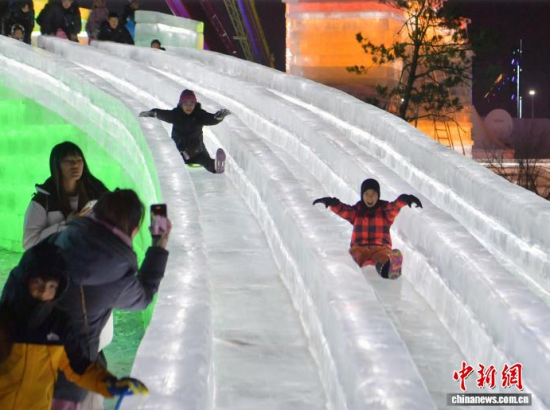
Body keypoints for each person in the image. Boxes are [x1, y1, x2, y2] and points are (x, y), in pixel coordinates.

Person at [47, 189, 171, 409]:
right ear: (134, 231)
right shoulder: (113, 270)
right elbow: (143, 296)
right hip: (69, 381)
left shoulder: (60, 239)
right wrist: (159, 246)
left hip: (20, 365)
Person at [0, 242, 148, 410]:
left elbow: (79, 367)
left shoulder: (58, 325)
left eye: (51, 286)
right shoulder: (5, 320)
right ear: (24, 280)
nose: (43, 292)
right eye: (38, 283)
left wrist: (109, 384)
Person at [313, 178, 422, 279]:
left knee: (383, 258)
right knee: (354, 257)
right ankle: (349, 272)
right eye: (367, 194)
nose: (370, 197)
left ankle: (389, 268)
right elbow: (344, 210)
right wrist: (332, 202)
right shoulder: (357, 212)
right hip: (359, 248)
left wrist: (404, 199)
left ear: (378, 195)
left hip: (380, 248)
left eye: (373, 194)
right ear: (362, 195)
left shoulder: (385, 211)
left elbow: (394, 206)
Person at [23, 142, 109, 250]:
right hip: (55, 259)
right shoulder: (42, 201)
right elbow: (29, 243)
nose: (75, 165)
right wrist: (65, 225)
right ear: (57, 165)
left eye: (79, 160)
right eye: (68, 161)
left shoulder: (95, 193)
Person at [139, 89, 231, 174]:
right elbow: (165, 114)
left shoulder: (199, 114)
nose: (189, 107)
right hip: (180, 152)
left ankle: (216, 166)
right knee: (173, 159)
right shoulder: (176, 114)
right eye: (186, 104)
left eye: (192, 104)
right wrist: (154, 113)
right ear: (181, 104)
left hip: (197, 151)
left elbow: (209, 119)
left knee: (204, 160)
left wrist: (217, 118)